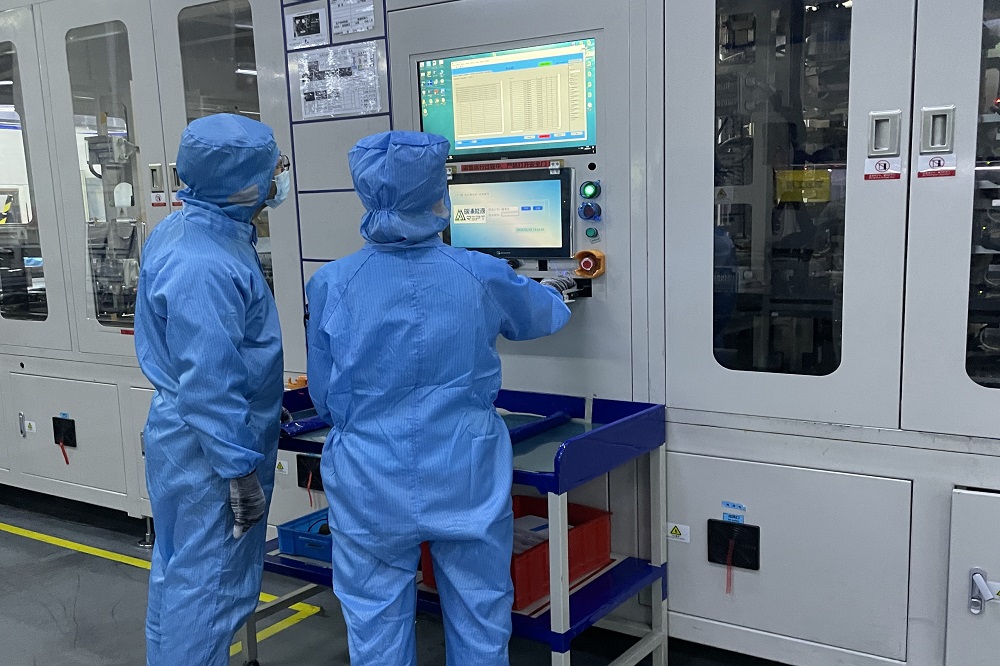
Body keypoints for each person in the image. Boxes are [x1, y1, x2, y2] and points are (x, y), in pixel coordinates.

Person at [306, 130, 573, 665]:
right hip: (464, 471)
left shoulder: (332, 282)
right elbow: (545, 316)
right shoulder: (480, 273)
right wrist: (556, 289)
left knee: (375, 621)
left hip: (369, 477)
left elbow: (323, 396)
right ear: (438, 195)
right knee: (480, 614)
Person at [135, 113, 290, 666]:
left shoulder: (188, 229)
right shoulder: (205, 261)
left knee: (180, 575)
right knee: (211, 588)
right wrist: (238, 470)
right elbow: (209, 382)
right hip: (210, 454)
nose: (279, 178)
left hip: (185, 441)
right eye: (273, 168)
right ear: (245, 184)